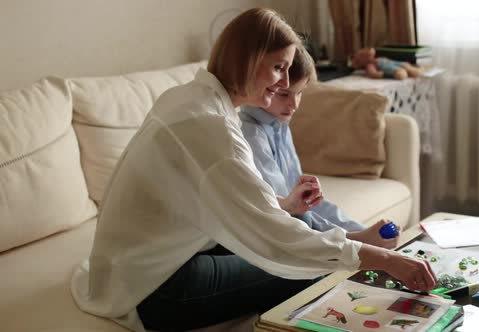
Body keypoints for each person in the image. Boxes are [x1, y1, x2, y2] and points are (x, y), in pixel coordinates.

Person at [70, 8, 436, 332]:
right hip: (156, 290)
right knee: (313, 265)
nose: (283, 81)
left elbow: (227, 199)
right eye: (278, 67)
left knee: (307, 230)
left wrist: (285, 205)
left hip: (142, 263)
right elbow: (274, 238)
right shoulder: (210, 127)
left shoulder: (189, 98)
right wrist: (384, 258)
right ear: (246, 59)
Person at [240, 45, 400, 249]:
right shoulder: (252, 136)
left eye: (299, 93)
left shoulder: (279, 125)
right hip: (273, 236)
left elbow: (308, 203)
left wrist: (358, 229)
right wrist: (354, 238)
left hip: (296, 221)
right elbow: (286, 212)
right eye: (284, 94)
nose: (295, 104)